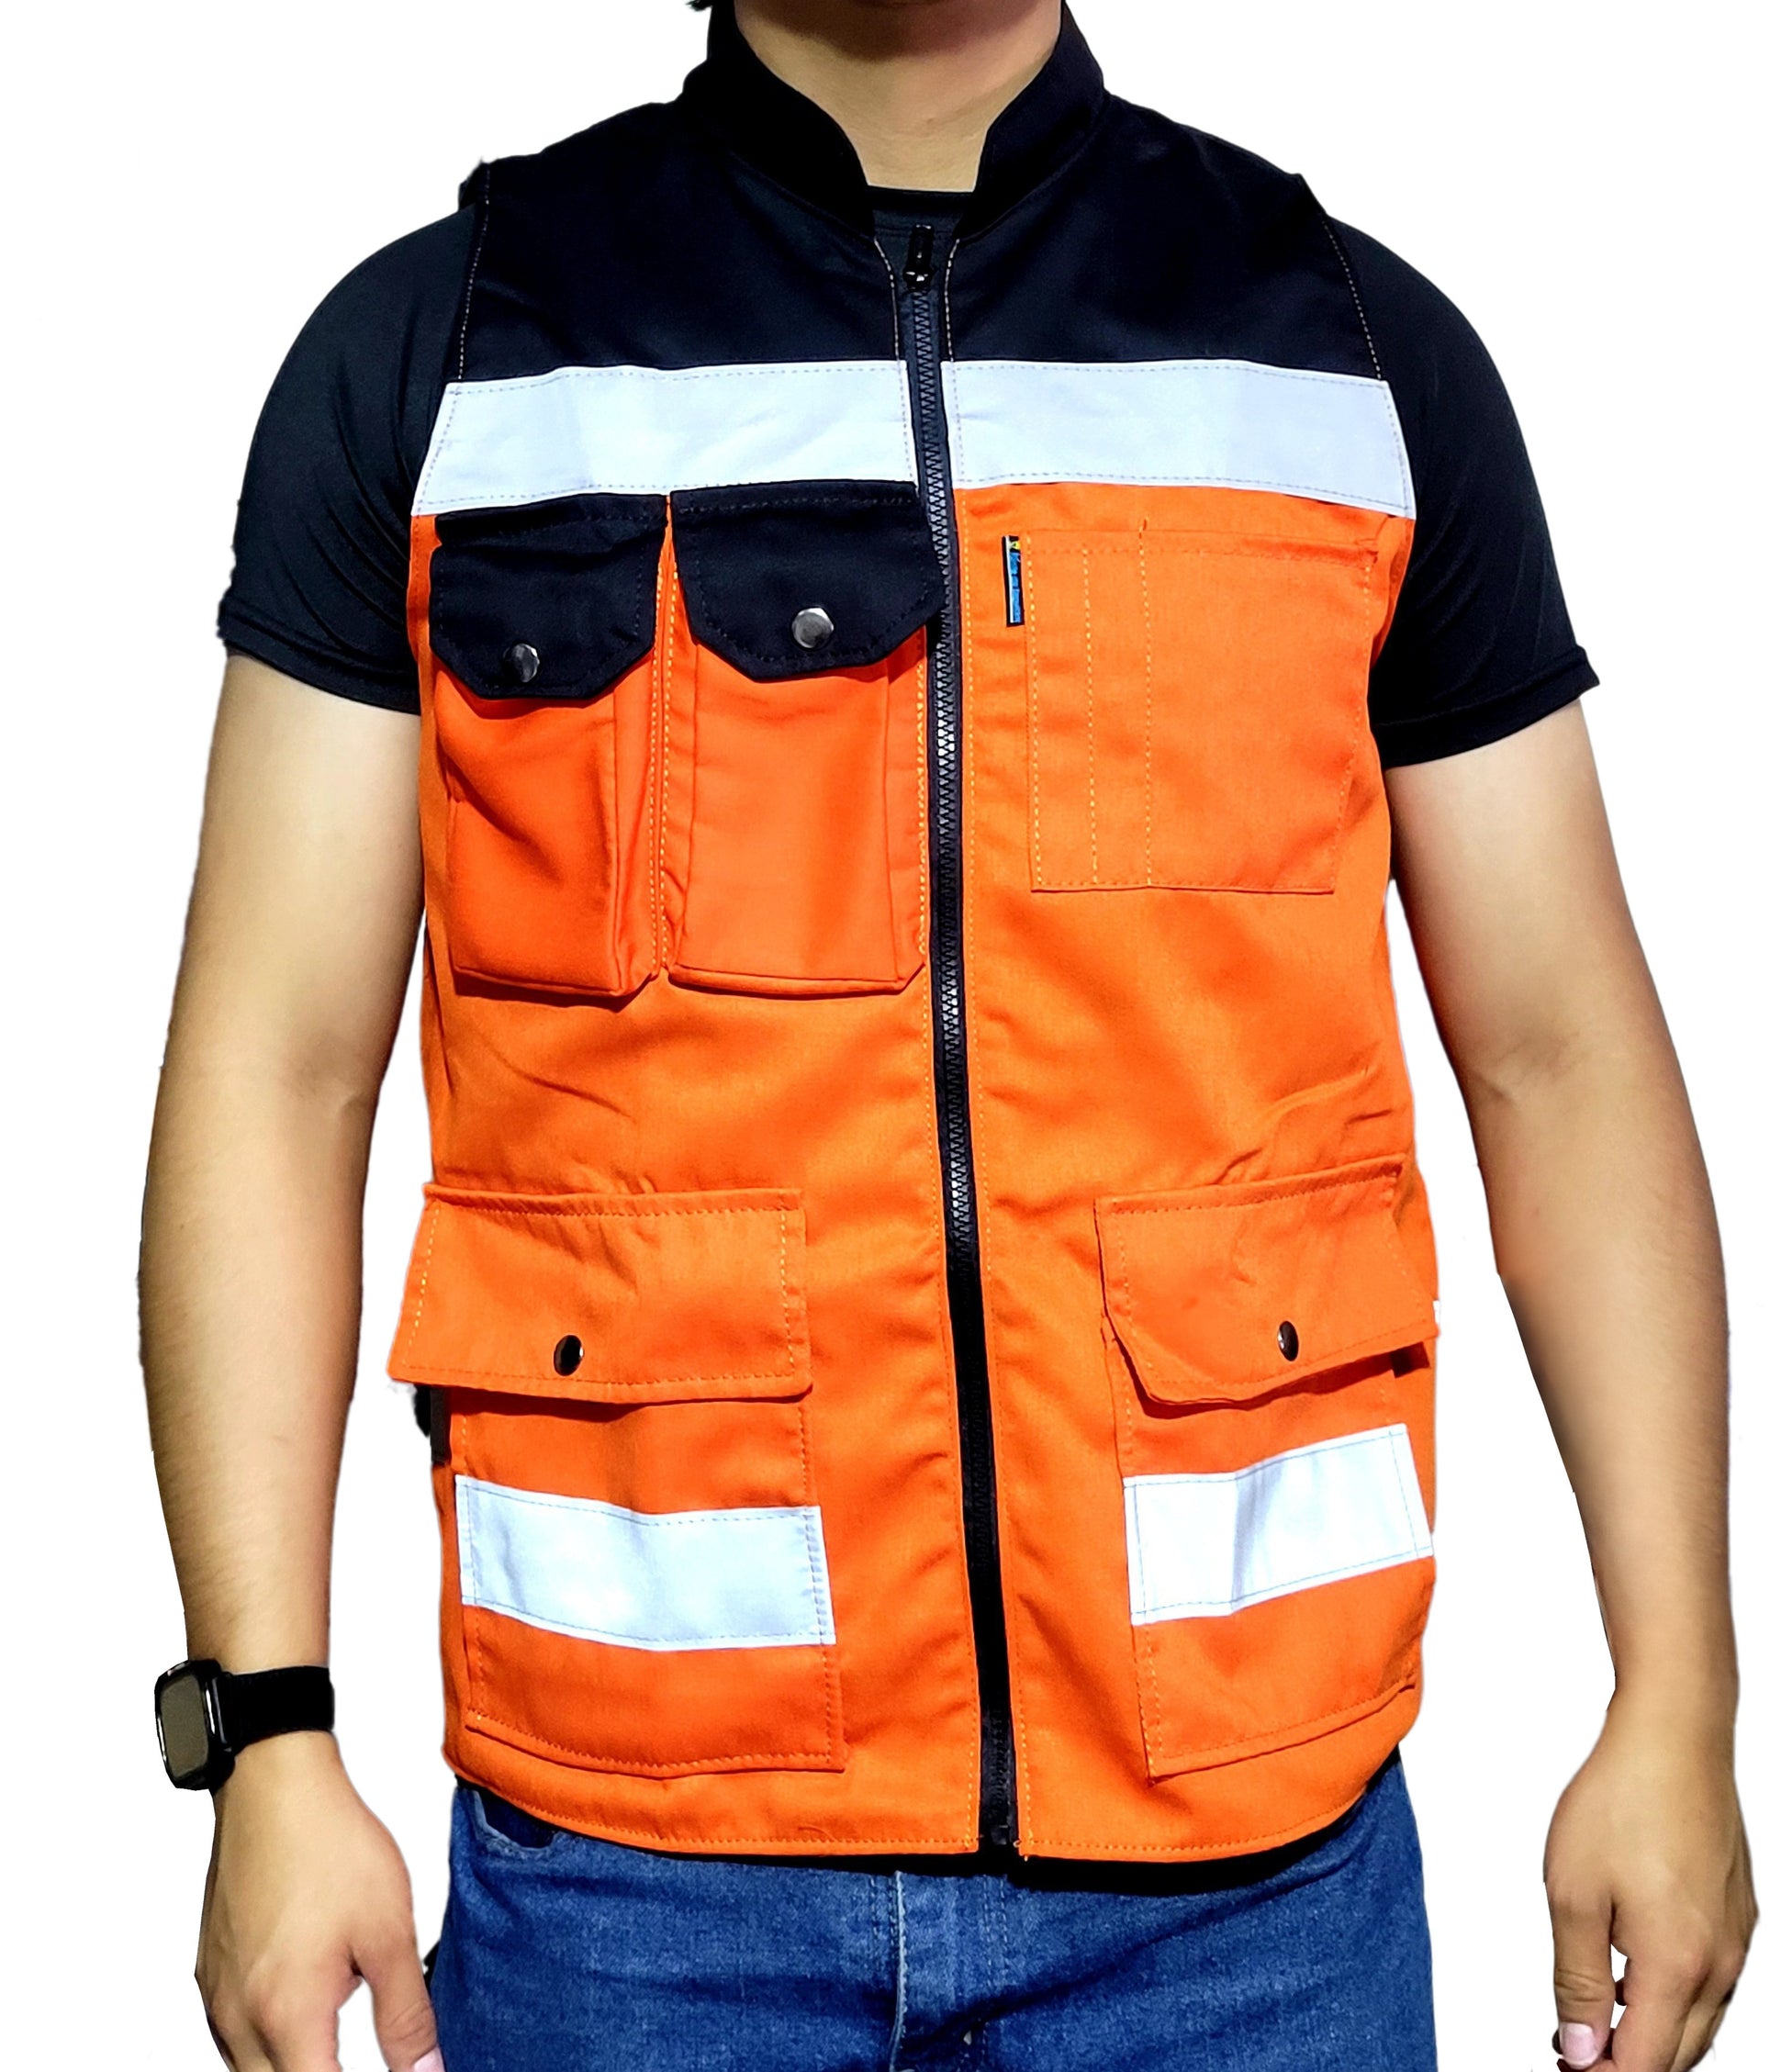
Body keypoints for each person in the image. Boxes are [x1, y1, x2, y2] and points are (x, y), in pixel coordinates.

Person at [140, 2, 1755, 2067]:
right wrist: (265, 1733)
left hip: (1249, 1897)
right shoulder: (453, 355)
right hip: (635, 1891)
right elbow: (275, 1067)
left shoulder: (1341, 362)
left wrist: (1678, 1695)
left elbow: (1560, 1053)